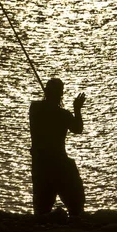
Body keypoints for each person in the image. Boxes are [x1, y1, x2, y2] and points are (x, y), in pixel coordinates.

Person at [29, 77, 86, 216]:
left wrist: (49, 99)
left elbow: (46, 109)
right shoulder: (63, 115)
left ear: (46, 92)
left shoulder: (35, 108)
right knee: (76, 203)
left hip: (40, 164)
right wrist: (77, 109)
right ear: (60, 95)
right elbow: (78, 128)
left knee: (41, 208)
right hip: (60, 164)